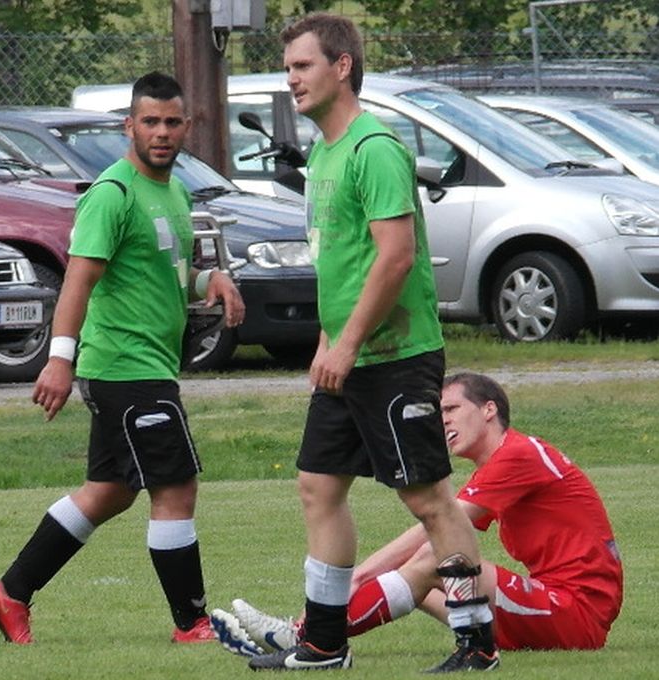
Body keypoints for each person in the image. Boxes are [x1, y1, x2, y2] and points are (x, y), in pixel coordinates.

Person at [244, 13, 497, 674]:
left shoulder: (372, 148)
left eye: (302, 66)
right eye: (290, 67)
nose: (291, 78)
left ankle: (478, 643)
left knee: (428, 500)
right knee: (317, 486)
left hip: (395, 358)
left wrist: (349, 343)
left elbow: (395, 259)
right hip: (350, 356)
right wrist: (328, 340)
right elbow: (345, 261)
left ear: (342, 66)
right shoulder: (326, 152)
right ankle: (325, 643)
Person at [0, 71, 245, 645]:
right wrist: (59, 359)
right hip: (126, 368)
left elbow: (158, 275)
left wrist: (209, 280)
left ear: (187, 126)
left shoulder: (172, 192)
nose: (162, 132)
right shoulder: (113, 193)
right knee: (175, 489)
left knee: (110, 491)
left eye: (172, 122)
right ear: (130, 126)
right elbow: (78, 279)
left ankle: (10, 592)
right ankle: (191, 623)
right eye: (150, 121)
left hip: (142, 366)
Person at [211, 372, 624, 660]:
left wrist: (356, 576)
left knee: (437, 561)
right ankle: (308, 635)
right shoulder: (505, 462)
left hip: (574, 612)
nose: (443, 421)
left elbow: (435, 532)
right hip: (557, 607)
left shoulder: (517, 454)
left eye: (451, 409)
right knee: (425, 575)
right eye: (439, 412)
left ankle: (307, 637)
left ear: (488, 410)